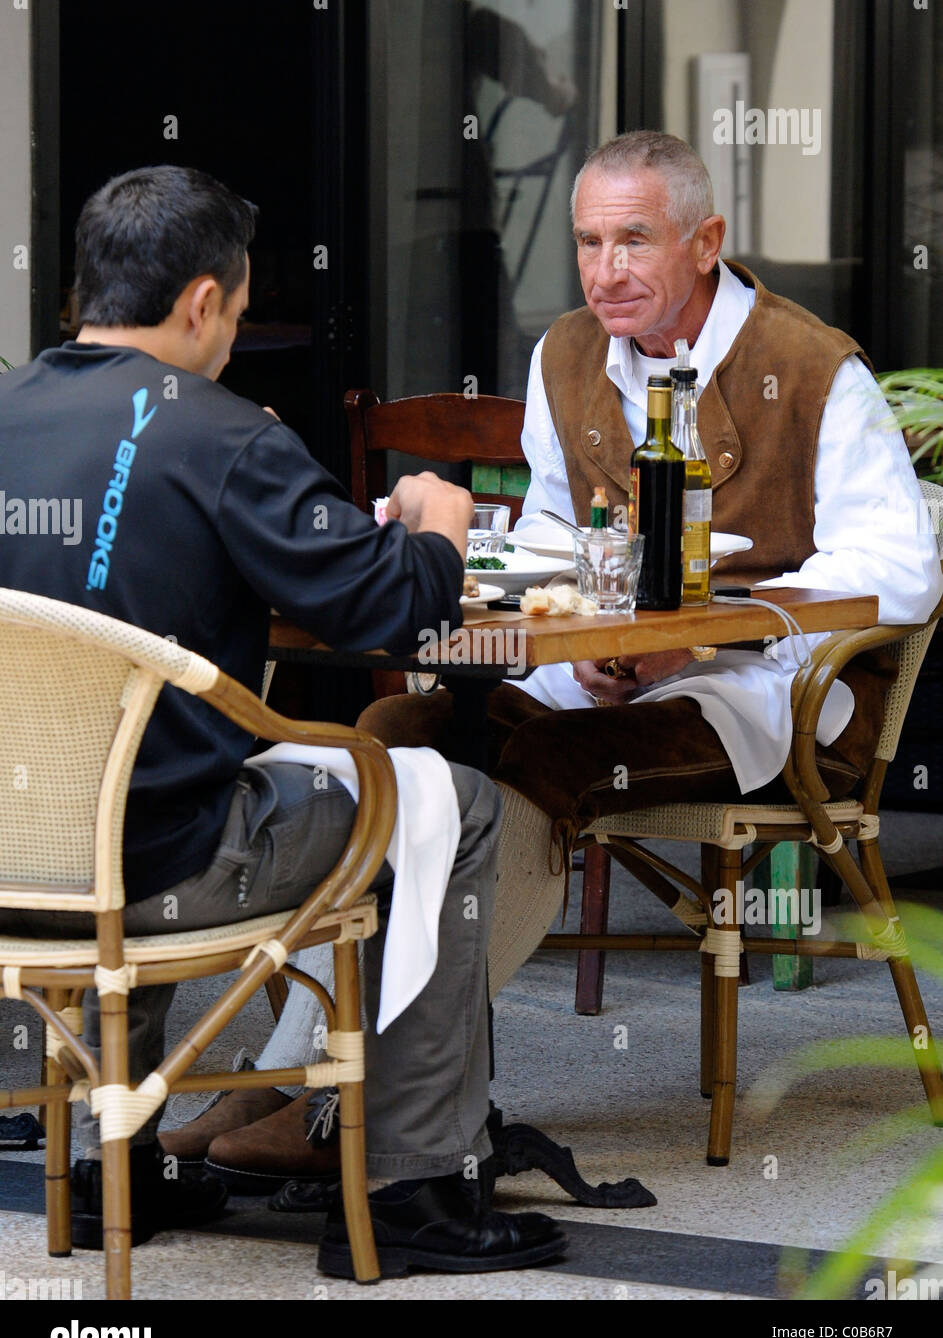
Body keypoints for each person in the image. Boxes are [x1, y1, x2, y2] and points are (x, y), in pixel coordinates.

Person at [0, 165, 565, 1279]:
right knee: (451, 802)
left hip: (20, 860)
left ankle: (109, 1168)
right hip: (167, 857)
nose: (234, 337)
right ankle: (416, 1184)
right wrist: (440, 523)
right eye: (241, 312)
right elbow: (391, 605)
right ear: (203, 302)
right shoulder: (219, 436)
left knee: (141, 770)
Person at [356, 130, 943, 994]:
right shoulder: (564, 353)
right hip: (596, 675)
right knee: (399, 738)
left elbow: (899, 569)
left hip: (765, 693)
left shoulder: (811, 366)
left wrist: (704, 641)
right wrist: (586, 635)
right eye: (588, 243)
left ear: (705, 243)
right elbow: (551, 524)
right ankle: (318, 1062)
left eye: (633, 239)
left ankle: (400, 1072)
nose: (604, 271)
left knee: (540, 763)